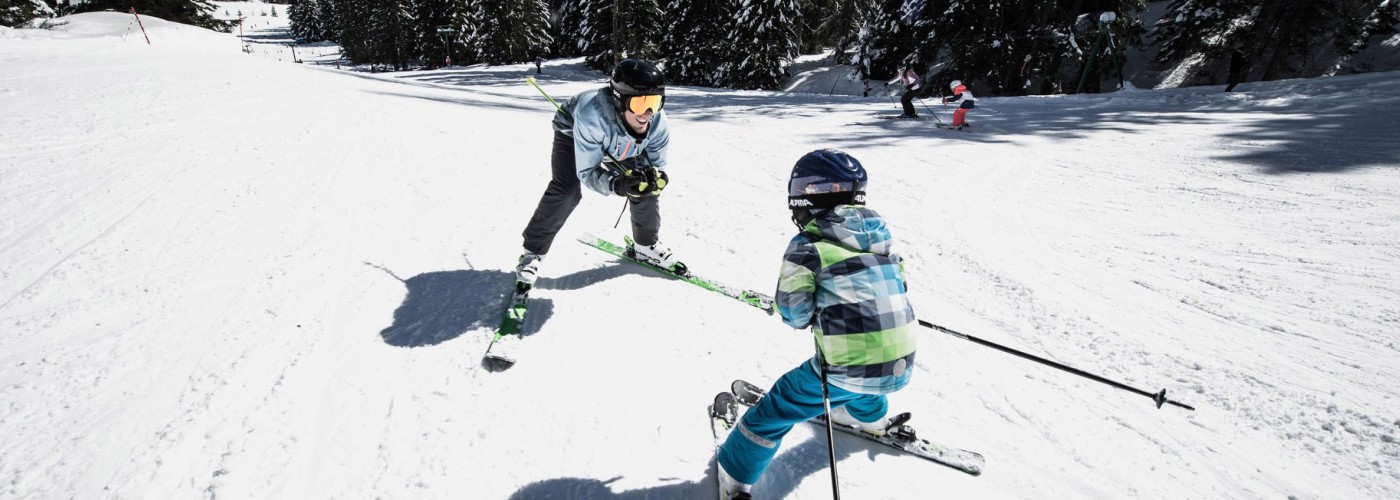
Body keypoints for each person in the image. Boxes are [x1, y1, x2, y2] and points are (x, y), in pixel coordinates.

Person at [716, 149, 918, 498]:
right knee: (864, 377)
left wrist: (809, 311)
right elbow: (896, 286)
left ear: (810, 196)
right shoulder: (883, 239)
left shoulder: (808, 245)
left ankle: (735, 475)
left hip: (846, 367)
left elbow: (794, 312)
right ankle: (874, 421)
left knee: (780, 405)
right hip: (899, 363)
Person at [515, 58, 678, 293]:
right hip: (573, 131)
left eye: (655, 102)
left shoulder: (658, 123)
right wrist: (617, 185)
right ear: (620, 100)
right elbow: (587, 172)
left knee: (644, 184)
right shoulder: (591, 116)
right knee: (567, 190)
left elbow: (656, 164)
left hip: (617, 138)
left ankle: (645, 245)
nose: (648, 113)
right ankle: (533, 253)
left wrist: (655, 176)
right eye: (641, 104)